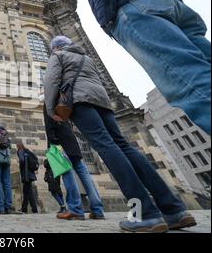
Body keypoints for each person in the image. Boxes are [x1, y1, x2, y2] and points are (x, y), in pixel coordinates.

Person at [44, 35, 196, 232]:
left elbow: (51, 82)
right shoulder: (85, 57)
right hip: (104, 103)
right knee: (124, 146)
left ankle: (144, 214)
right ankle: (174, 210)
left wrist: (50, 110)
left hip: (81, 102)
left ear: (55, 48)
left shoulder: (58, 56)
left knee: (107, 147)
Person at [71, 0, 211, 135]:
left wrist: (106, 18)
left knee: (182, 78)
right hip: (167, 3)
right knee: (203, 64)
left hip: (135, 10)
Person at [41, 93, 105, 220]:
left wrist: (53, 143)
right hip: (72, 140)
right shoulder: (64, 98)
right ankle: (97, 210)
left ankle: (75, 209)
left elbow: (49, 123)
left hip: (59, 141)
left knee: (67, 173)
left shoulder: (49, 99)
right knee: (84, 173)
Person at [16, 142, 38, 214]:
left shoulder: (20, 151)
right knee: (29, 192)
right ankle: (34, 209)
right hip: (30, 174)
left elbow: (22, 160)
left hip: (26, 174)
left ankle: (24, 209)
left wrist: (20, 165)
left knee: (26, 192)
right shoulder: (27, 151)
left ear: (18, 146)